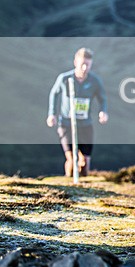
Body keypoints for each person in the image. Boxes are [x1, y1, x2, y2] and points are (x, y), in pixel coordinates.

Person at [47, 47, 109, 177]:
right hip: (66, 123)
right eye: (82, 64)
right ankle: (69, 183)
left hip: (85, 124)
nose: (85, 68)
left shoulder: (94, 81)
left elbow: (102, 98)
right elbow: (54, 94)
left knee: (85, 160)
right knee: (71, 157)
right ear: (76, 62)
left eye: (88, 65)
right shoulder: (64, 78)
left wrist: (103, 111)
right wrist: (51, 113)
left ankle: (84, 184)